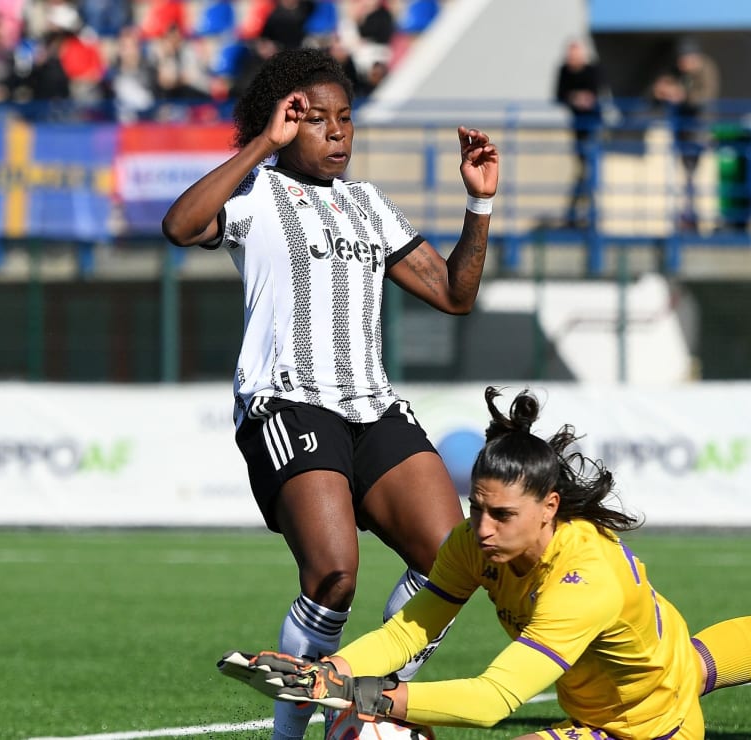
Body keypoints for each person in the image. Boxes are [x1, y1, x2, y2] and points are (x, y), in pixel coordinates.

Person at [217, 386, 751, 738]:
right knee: (695, 663)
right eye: (476, 508)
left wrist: (370, 698)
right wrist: (337, 668)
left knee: (687, 678)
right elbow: (410, 629)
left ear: (550, 506)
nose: (480, 529)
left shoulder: (583, 580)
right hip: (651, 663)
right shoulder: (474, 539)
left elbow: (491, 701)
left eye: (501, 516)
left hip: (644, 730)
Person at [160, 47, 498, 740]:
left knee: (456, 562)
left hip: (371, 404)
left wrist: (479, 201)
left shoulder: (369, 204)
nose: (338, 132)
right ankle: (291, 736)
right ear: (284, 121)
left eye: (346, 118)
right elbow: (180, 226)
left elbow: (455, 295)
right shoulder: (254, 195)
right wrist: (261, 145)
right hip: (288, 402)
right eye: (316, 120)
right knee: (335, 576)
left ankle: (371, 695)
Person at [652, 37, 718, 233]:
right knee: (685, 176)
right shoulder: (677, 72)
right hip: (682, 131)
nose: (682, 64)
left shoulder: (706, 70)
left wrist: (682, 95)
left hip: (701, 131)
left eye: (685, 59)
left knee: (699, 176)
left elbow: (704, 97)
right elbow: (659, 91)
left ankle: (697, 220)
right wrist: (662, 90)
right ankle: (688, 218)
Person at [553, 38, 603, 229]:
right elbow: (559, 95)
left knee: (589, 172)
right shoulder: (564, 71)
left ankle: (585, 216)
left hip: (593, 128)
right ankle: (577, 215)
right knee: (583, 172)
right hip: (577, 128)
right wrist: (574, 98)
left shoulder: (593, 71)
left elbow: (597, 94)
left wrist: (587, 99)